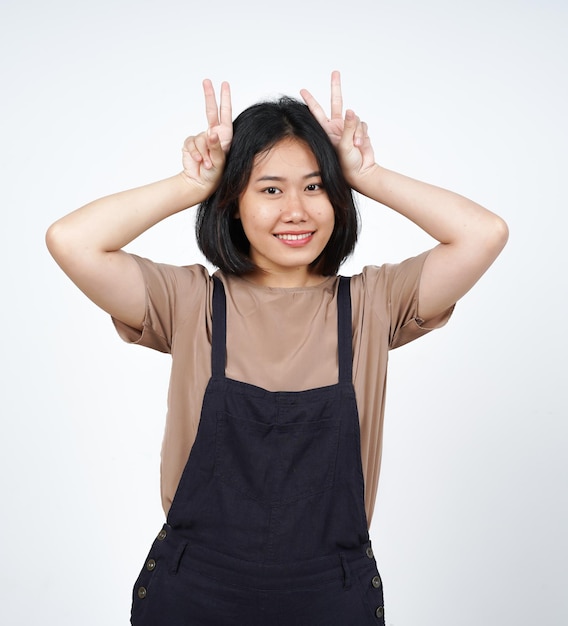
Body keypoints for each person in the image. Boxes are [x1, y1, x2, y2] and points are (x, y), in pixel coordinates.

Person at [46, 72, 508, 625]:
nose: (297, 210)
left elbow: (484, 233)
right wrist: (190, 184)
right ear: (232, 202)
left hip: (330, 595)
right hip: (194, 592)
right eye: (270, 189)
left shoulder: (372, 304)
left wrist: (369, 174)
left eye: (315, 186)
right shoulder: (192, 301)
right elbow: (71, 241)